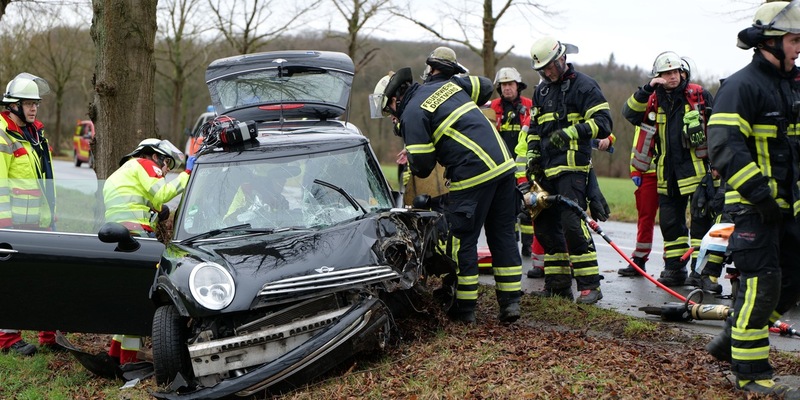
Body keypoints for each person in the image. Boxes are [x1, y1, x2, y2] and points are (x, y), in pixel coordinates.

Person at [370, 47, 522, 324]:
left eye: (389, 110)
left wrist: (412, 147)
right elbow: (486, 87)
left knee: (462, 241)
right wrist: (457, 76)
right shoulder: (449, 85)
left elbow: (424, 166)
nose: (392, 116)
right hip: (504, 167)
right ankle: (510, 305)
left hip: (473, 175)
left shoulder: (412, 113)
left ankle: (465, 310)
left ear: (394, 99)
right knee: (503, 236)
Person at [705, 2, 800, 397]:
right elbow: (725, 147)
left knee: (791, 282)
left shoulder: (794, 83)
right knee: (762, 287)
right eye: (795, 41)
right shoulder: (742, 86)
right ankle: (752, 375)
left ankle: (732, 338)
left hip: (788, 210)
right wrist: (761, 196)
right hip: (753, 209)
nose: (799, 49)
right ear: (772, 43)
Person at [525, 36, 612, 304]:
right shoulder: (541, 91)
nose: (547, 72)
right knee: (545, 227)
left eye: (550, 66)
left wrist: (571, 133)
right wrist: (532, 158)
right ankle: (558, 286)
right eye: (542, 70)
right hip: (545, 173)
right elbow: (535, 130)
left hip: (573, 169)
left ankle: (590, 286)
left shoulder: (585, 86)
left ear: (562, 58)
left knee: (573, 225)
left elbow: (604, 124)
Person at [621, 51, 714, 286]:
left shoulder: (699, 95)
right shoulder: (653, 98)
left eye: (675, 72)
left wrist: (718, 166)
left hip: (697, 172)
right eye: (666, 73)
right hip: (667, 174)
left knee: (701, 223)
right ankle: (674, 268)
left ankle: (701, 273)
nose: (672, 77)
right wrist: (647, 88)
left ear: (683, 72)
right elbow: (629, 113)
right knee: (671, 224)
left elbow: (716, 128)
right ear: (658, 76)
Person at [103, 138, 195, 364]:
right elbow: (162, 194)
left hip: (120, 238)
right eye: (165, 163)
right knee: (139, 299)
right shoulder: (144, 164)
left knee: (127, 296)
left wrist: (157, 210)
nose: (164, 170)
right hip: (136, 239)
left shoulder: (122, 172)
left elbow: (143, 200)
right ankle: (131, 361)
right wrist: (188, 174)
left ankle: (115, 354)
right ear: (154, 156)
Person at [0, 73, 60, 356]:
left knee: (45, 276)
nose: (34, 108)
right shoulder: (2, 133)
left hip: (40, 220)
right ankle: (8, 340)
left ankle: (49, 334)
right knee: (13, 281)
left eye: (36, 103)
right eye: (27, 103)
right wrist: (5, 226)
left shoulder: (36, 133)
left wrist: (52, 217)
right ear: (13, 105)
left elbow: (43, 179)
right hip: (14, 224)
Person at [488, 67, 535, 258]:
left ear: (518, 86)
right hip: (502, 166)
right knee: (507, 208)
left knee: (528, 208)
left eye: (510, 84)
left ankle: (528, 245)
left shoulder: (529, 105)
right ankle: (512, 242)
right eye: (504, 85)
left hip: (524, 167)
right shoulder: (492, 108)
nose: (507, 88)